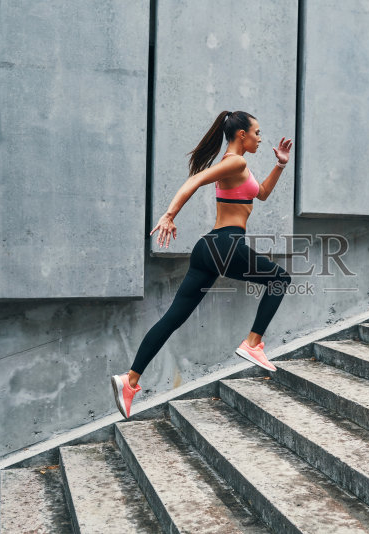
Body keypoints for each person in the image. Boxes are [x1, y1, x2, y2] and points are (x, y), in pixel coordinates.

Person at [111, 110, 293, 418]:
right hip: (226, 245)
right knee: (280, 279)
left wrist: (280, 165)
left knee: (172, 319)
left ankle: (130, 380)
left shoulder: (236, 167)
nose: (261, 138)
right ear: (241, 135)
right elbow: (195, 180)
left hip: (208, 248)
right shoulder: (236, 162)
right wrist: (169, 215)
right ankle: (253, 343)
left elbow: (260, 194)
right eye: (257, 133)